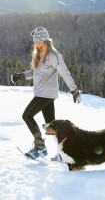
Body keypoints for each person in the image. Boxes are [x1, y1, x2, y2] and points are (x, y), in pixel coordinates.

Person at [11, 27, 82, 159]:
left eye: (40, 41)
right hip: (40, 93)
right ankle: (64, 152)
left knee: (27, 116)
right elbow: (34, 72)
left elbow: (64, 73)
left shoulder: (53, 55)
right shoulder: (37, 54)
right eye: (36, 42)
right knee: (52, 124)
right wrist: (21, 76)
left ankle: (40, 147)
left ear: (46, 40)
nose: (38, 44)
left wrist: (74, 90)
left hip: (46, 94)